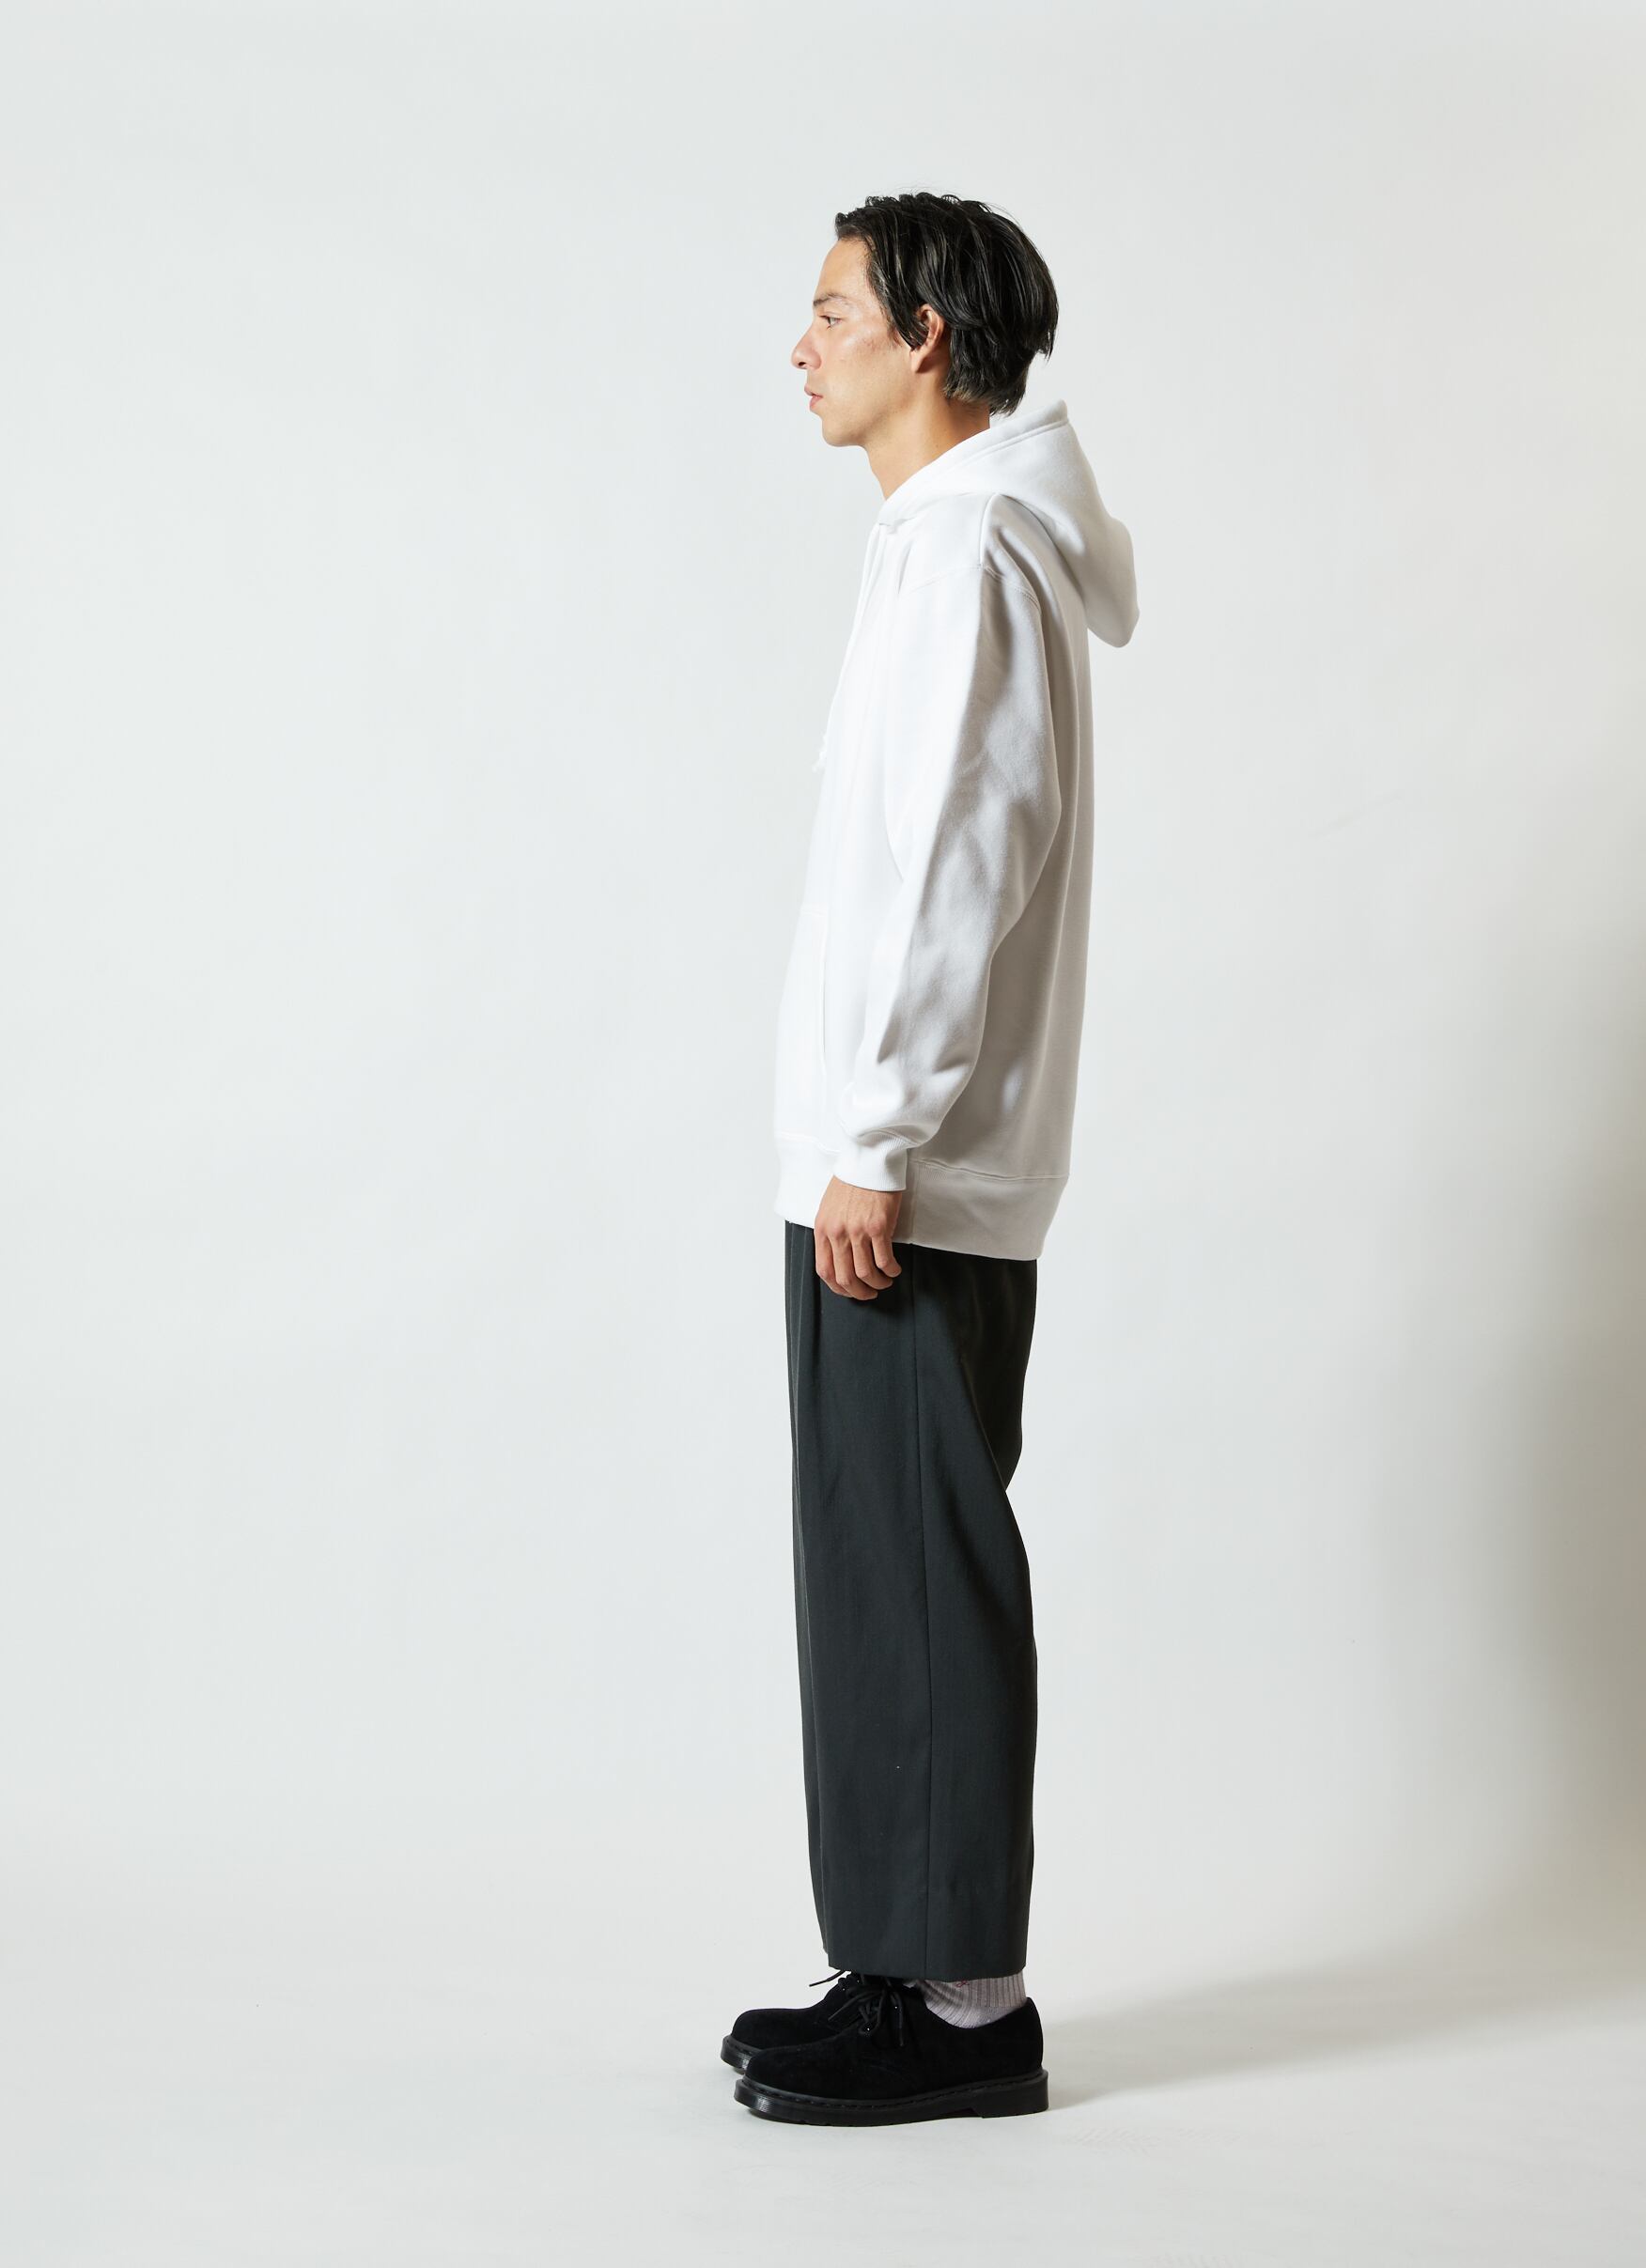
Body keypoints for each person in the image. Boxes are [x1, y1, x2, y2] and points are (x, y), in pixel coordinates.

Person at [727, 191, 1139, 2127]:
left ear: (930, 340)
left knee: (923, 1567)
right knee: (879, 1570)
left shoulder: (970, 546)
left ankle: (968, 2008)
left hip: (910, 1168)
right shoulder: (936, 540)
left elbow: (957, 863)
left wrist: (875, 1134)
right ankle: (899, 1964)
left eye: (834, 312)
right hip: (883, 1156)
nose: (802, 346)